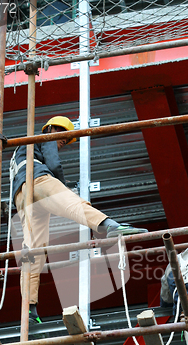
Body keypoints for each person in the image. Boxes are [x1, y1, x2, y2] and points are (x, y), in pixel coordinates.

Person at [11, 116, 148, 324]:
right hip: (39, 180)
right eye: (63, 139)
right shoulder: (44, 136)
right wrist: (62, 184)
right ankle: (109, 226)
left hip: (21, 195)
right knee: (73, 204)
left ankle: (28, 307)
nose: (61, 143)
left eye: (64, 142)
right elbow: (53, 162)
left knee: (33, 251)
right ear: (53, 129)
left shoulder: (19, 149)